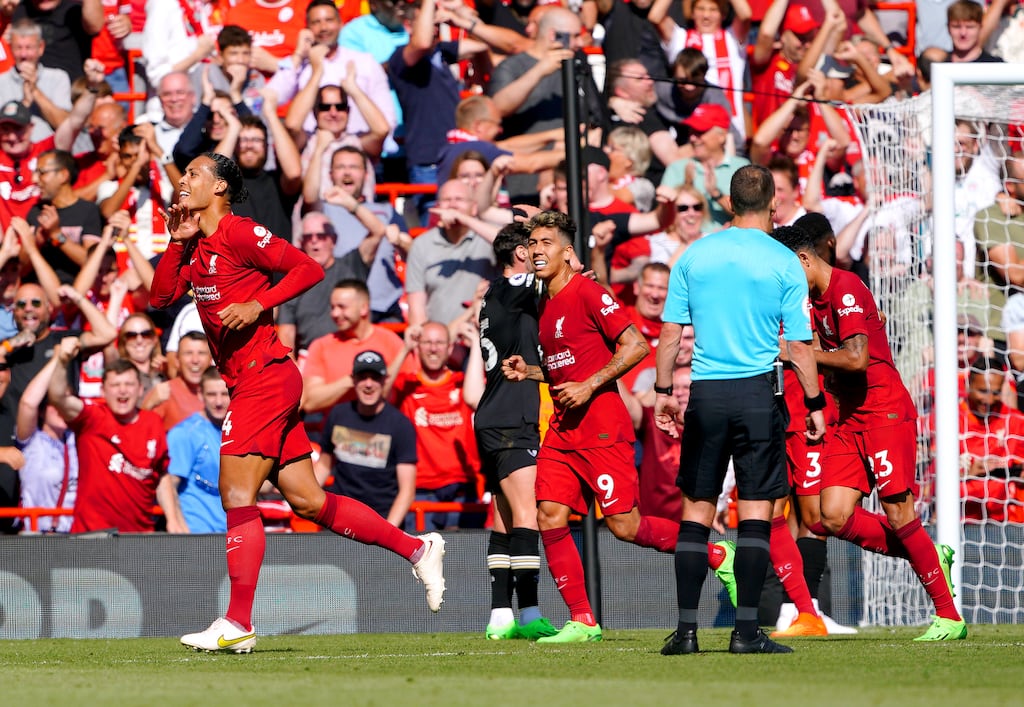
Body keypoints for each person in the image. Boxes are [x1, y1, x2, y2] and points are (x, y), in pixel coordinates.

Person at [151, 152, 446, 653]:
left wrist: (259, 303)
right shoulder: (196, 245)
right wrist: (177, 246)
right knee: (309, 501)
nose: (185, 180)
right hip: (251, 381)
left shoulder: (241, 233)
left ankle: (238, 622)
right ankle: (418, 548)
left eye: (196, 173)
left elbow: (307, 268)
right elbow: (159, 299)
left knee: (236, 492)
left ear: (221, 187)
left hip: (266, 377)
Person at [654, 164, 826, 655]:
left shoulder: (695, 253)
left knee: (696, 511)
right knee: (754, 513)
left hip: (706, 393)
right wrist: (814, 402)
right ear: (774, 204)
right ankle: (746, 631)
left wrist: (665, 389)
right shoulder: (784, 261)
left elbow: (671, 332)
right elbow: (797, 345)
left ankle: (686, 632)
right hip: (757, 396)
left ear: (728, 204)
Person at [770, 223, 967, 642]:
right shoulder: (816, 299)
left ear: (804, 259)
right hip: (849, 419)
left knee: (899, 511)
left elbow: (857, 358)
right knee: (832, 515)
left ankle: (949, 617)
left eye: (786, 272)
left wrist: (797, 353)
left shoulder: (844, 288)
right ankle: (931, 556)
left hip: (883, 412)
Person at [502, 210, 681, 644]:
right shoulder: (544, 303)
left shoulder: (588, 292)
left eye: (547, 243)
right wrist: (531, 371)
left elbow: (636, 345)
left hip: (602, 427)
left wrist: (590, 385)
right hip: (564, 430)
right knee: (549, 516)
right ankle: (583, 621)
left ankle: (715, 552)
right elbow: (567, 367)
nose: (538, 251)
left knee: (625, 525)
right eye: (534, 244)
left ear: (567, 253)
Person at [475, 222, 557, 641]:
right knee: (530, 515)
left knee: (505, 519)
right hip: (512, 417)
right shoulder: (518, 285)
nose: (542, 253)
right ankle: (530, 614)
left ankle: (500, 615)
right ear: (521, 255)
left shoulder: (492, 295)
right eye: (536, 246)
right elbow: (559, 275)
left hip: (491, 415)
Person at [48, 338, 186, 534]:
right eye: (115, 385)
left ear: (140, 389)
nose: (123, 390)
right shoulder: (92, 418)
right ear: (103, 390)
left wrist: (172, 520)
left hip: (139, 538)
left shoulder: (153, 421)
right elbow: (58, 397)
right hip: (93, 536)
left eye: (129, 384)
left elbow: (161, 475)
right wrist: (62, 360)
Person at [388, 320, 484, 532]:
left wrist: (476, 343)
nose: (433, 348)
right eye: (427, 342)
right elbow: (379, 392)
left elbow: (480, 396)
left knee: (466, 558)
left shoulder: (463, 383)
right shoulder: (406, 384)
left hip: (461, 485)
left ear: (450, 347)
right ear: (418, 346)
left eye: (440, 342)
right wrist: (405, 349)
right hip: (420, 488)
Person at [313, 350, 416, 527]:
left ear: (385, 380)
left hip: (382, 522)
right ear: (353, 380)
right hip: (339, 522)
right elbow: (324, 465)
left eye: (375, 377)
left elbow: (406, 491)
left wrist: (388, 533)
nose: (368, 384)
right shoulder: (338, 415)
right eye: (362, 377)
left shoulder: (400, 425)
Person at [167, 366, 230, 533]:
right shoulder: (185, 434)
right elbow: (169, 486)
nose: (218, 402)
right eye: (211, 394)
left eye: (224, 394)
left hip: (231, 535)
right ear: (200, 394)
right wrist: (182, 531)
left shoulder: (239, 432)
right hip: (197, 535)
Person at [141, 331, 213, 431]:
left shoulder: (223, 393)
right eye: (188, 353)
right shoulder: (164, 393)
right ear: (177, 361)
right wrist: (148, 405)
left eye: (201, 353)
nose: (195, 360)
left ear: (210, 360)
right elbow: (140, 432)